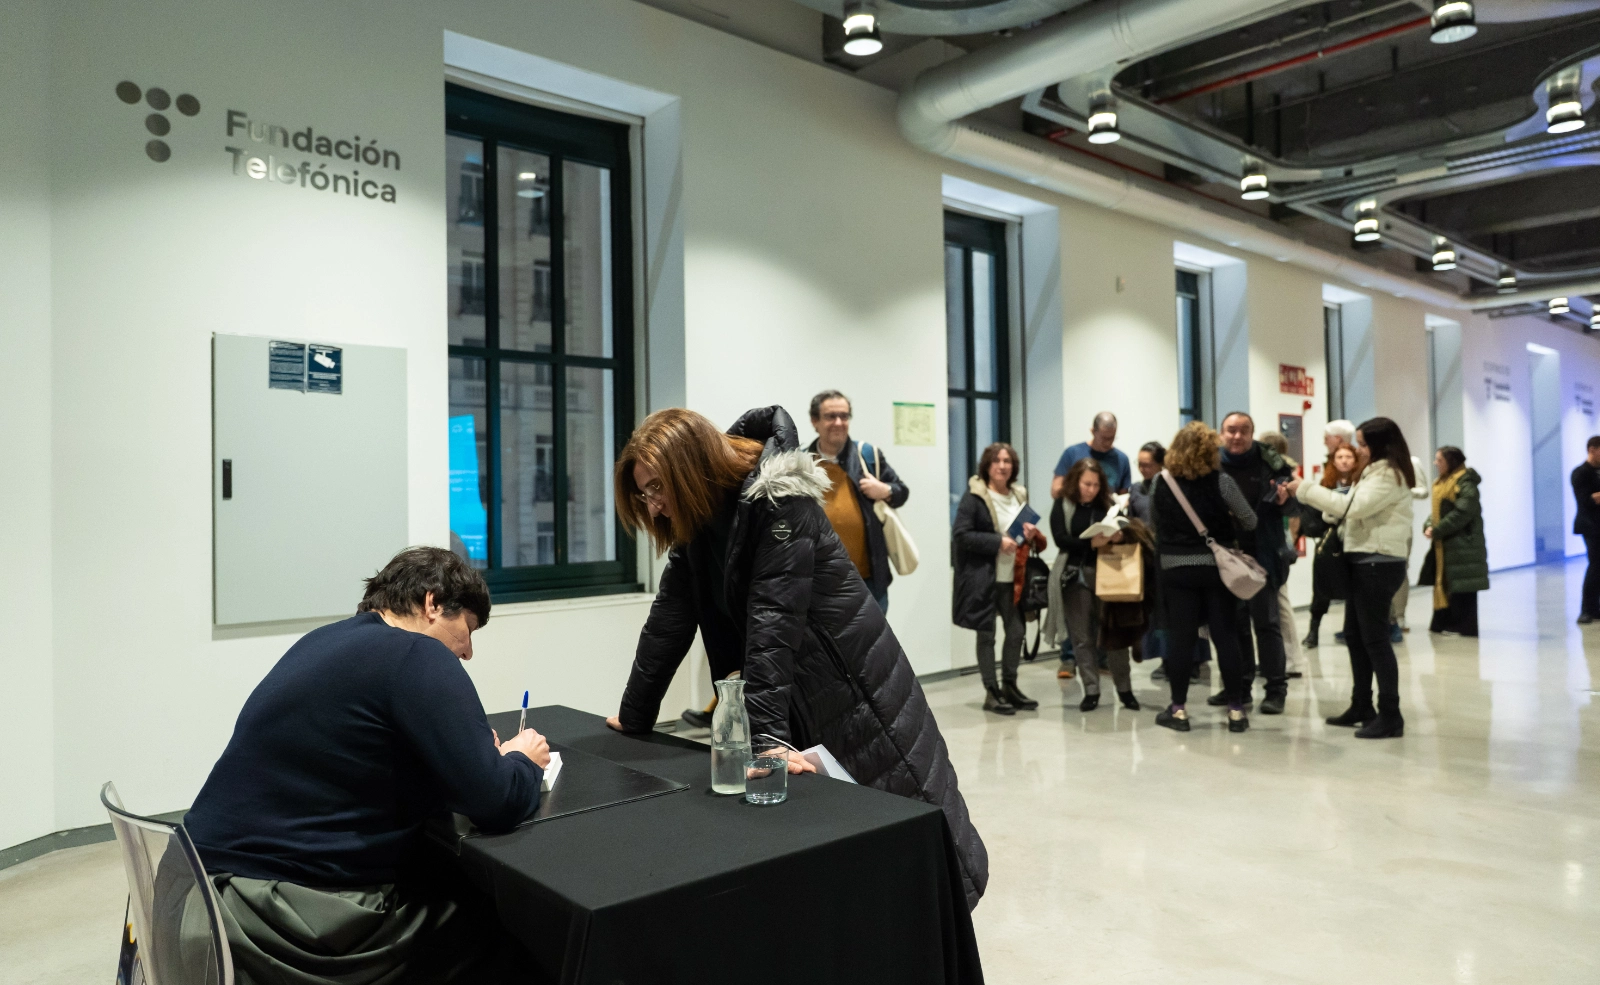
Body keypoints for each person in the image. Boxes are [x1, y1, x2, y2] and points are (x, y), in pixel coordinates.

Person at [605, 406, 988, 909]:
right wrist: (635, 715)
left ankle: (948, 934)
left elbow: (773, 618)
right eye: (643, 494)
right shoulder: (699, 521)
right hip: (799, 696)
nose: (652, 507)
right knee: (847, 848)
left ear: (688, 470)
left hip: (855, 690)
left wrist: (765, 740)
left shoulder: (778, 499)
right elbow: (669, 618)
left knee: (913, 816)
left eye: (656, 488)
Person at [182, 547, 548, 985]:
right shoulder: (417, 654)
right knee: (506, 926)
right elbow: (496, 801)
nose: (468, 651)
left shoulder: (326, 640)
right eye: (467, 628)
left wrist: (464, 758)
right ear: (432, 604)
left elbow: (358, 759)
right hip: (276, 915)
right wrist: (522, 760)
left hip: (199, 894)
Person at [1288, 416, 1416, 739]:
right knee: (1356, 635)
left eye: (1362, 443)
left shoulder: (1388, 472)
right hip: (1364, 560)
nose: (1357, 450)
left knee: (1375, 640)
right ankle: (1362, 705)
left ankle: (1391, 715)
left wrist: (1304, 489)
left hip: (1378, 562)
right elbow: (1353, 509)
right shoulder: (1375, 470)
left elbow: (1353, 507)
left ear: (1379, 444)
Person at [1149, 421, 1258, 733]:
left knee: (1181, 639)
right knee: (1226, 636)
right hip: (1215, 569)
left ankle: (1179, 710)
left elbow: (1155, 522)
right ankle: (1236, 711)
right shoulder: (1222, 482)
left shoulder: (1161, 481)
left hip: (1175, 570)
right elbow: (1250, 521)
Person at [954, 442, 1047, 716]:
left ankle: (1010, 685)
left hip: (1013, 578)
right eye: (996, 461)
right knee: (987, 635)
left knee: (1016, 631)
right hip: (983, 578)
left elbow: (1021, 535)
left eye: (1007, 460)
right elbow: (961, 534)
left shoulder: (1019, 495)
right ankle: (991, 691)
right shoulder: (974, 497)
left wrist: (1029, 535)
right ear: (987, 465)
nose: (1002, 465)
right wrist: (997, 542)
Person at [1042, 458, 1138, 712]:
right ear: (1076, 481)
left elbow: (1127, 529)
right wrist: (1089, 545)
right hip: (1074, 577)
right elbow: (1061, 538)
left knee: (1114, 635)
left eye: (1096, 485)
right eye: (1087, 484)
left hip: (1110, 575)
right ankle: (1091, 690)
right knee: (1082, 637)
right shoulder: (1063, 504)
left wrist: (1118, 534)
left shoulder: (1107, 504)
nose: (1091, 489)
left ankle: (1125, 690)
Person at [1215, 412, 1294, 716]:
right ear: (1221, 433)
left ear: (1252, 434)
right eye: (1231, 430)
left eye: (1243, 431)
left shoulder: (1272, 464)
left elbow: (1294, 506)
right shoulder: (1211, 464)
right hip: (1226, 558)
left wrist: (1285, 500)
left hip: (1263, 555)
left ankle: (1275, 690)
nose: (1237, 436)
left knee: (1266, 624)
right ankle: (1239, 686)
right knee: (1233, 627)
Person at [805, 389, 909, 614]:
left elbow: (902, 492)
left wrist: (885, 490)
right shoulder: (801, 464)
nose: (839, 422)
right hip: (820, 583)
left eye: (844, 416)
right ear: (815, 421)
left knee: (874, 647)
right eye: (831, 416)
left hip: (869, 582)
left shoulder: (868, 457)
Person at [1301, 441, 1364, 648]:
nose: (1344, 461)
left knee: (1354, 589)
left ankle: (1351, 630)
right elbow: (1314, 516)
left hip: (1355, 540)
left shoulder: (1362, 483)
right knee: (1320, 588)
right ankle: (1313, 631)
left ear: (1355, 460)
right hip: (1329, 543)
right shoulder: (1325, 485)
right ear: (1333, 461)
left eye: (1348, 457)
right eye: (1340, 457)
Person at [1421, 446, 1488, 636]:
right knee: (1445, 583)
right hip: (1446, 544)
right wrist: (1429, 525)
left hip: (1463, 544)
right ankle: (1445, 623)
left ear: (1451, 462)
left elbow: (1463, 512)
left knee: (1462, 588)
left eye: (1439, 460)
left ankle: (1462, 627)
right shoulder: (1441, 482)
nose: (1436, 464)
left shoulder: (1466, 483)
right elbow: (1436, 512)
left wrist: (1438, 529)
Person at [1258, 430, 1305, 680]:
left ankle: (1292, 660)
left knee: (1279, 601)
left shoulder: (1281, 476)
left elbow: (1294, 516)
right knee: (1278, 602)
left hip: (1276, 542)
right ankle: (1286, 658)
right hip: (1282, 542)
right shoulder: (1287, 474)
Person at [1053, 411, 1132, 497]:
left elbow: (1123, 497)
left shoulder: (1122, 459)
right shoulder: (1072, 453)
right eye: (1104, 438)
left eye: (1112, 438)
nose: (1108, 443)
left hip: (1108, 508)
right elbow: (1055, 490)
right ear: (1093, 431)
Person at [1573, 436, 1600, 624]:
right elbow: (1587, 500)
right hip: (1590, 525)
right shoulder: (1580, 473)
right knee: (1595, 565)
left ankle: (1595, 608)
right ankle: (1586, 609)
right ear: (1592, 450)